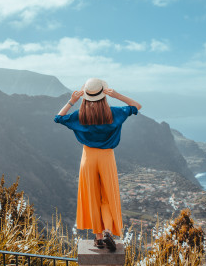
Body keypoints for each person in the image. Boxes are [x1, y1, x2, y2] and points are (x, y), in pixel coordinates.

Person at [54, 78, 142, 250]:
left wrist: (72, 101)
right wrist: (117, 95)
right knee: (108, 196)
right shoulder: (113, 113)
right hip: (107, 158)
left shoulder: (80, 116)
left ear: (86, 96)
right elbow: (136, 106)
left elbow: (58, 118)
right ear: (104, 95)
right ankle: (108, 230)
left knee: (93, 197)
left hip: (88, 158)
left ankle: (99, 238)